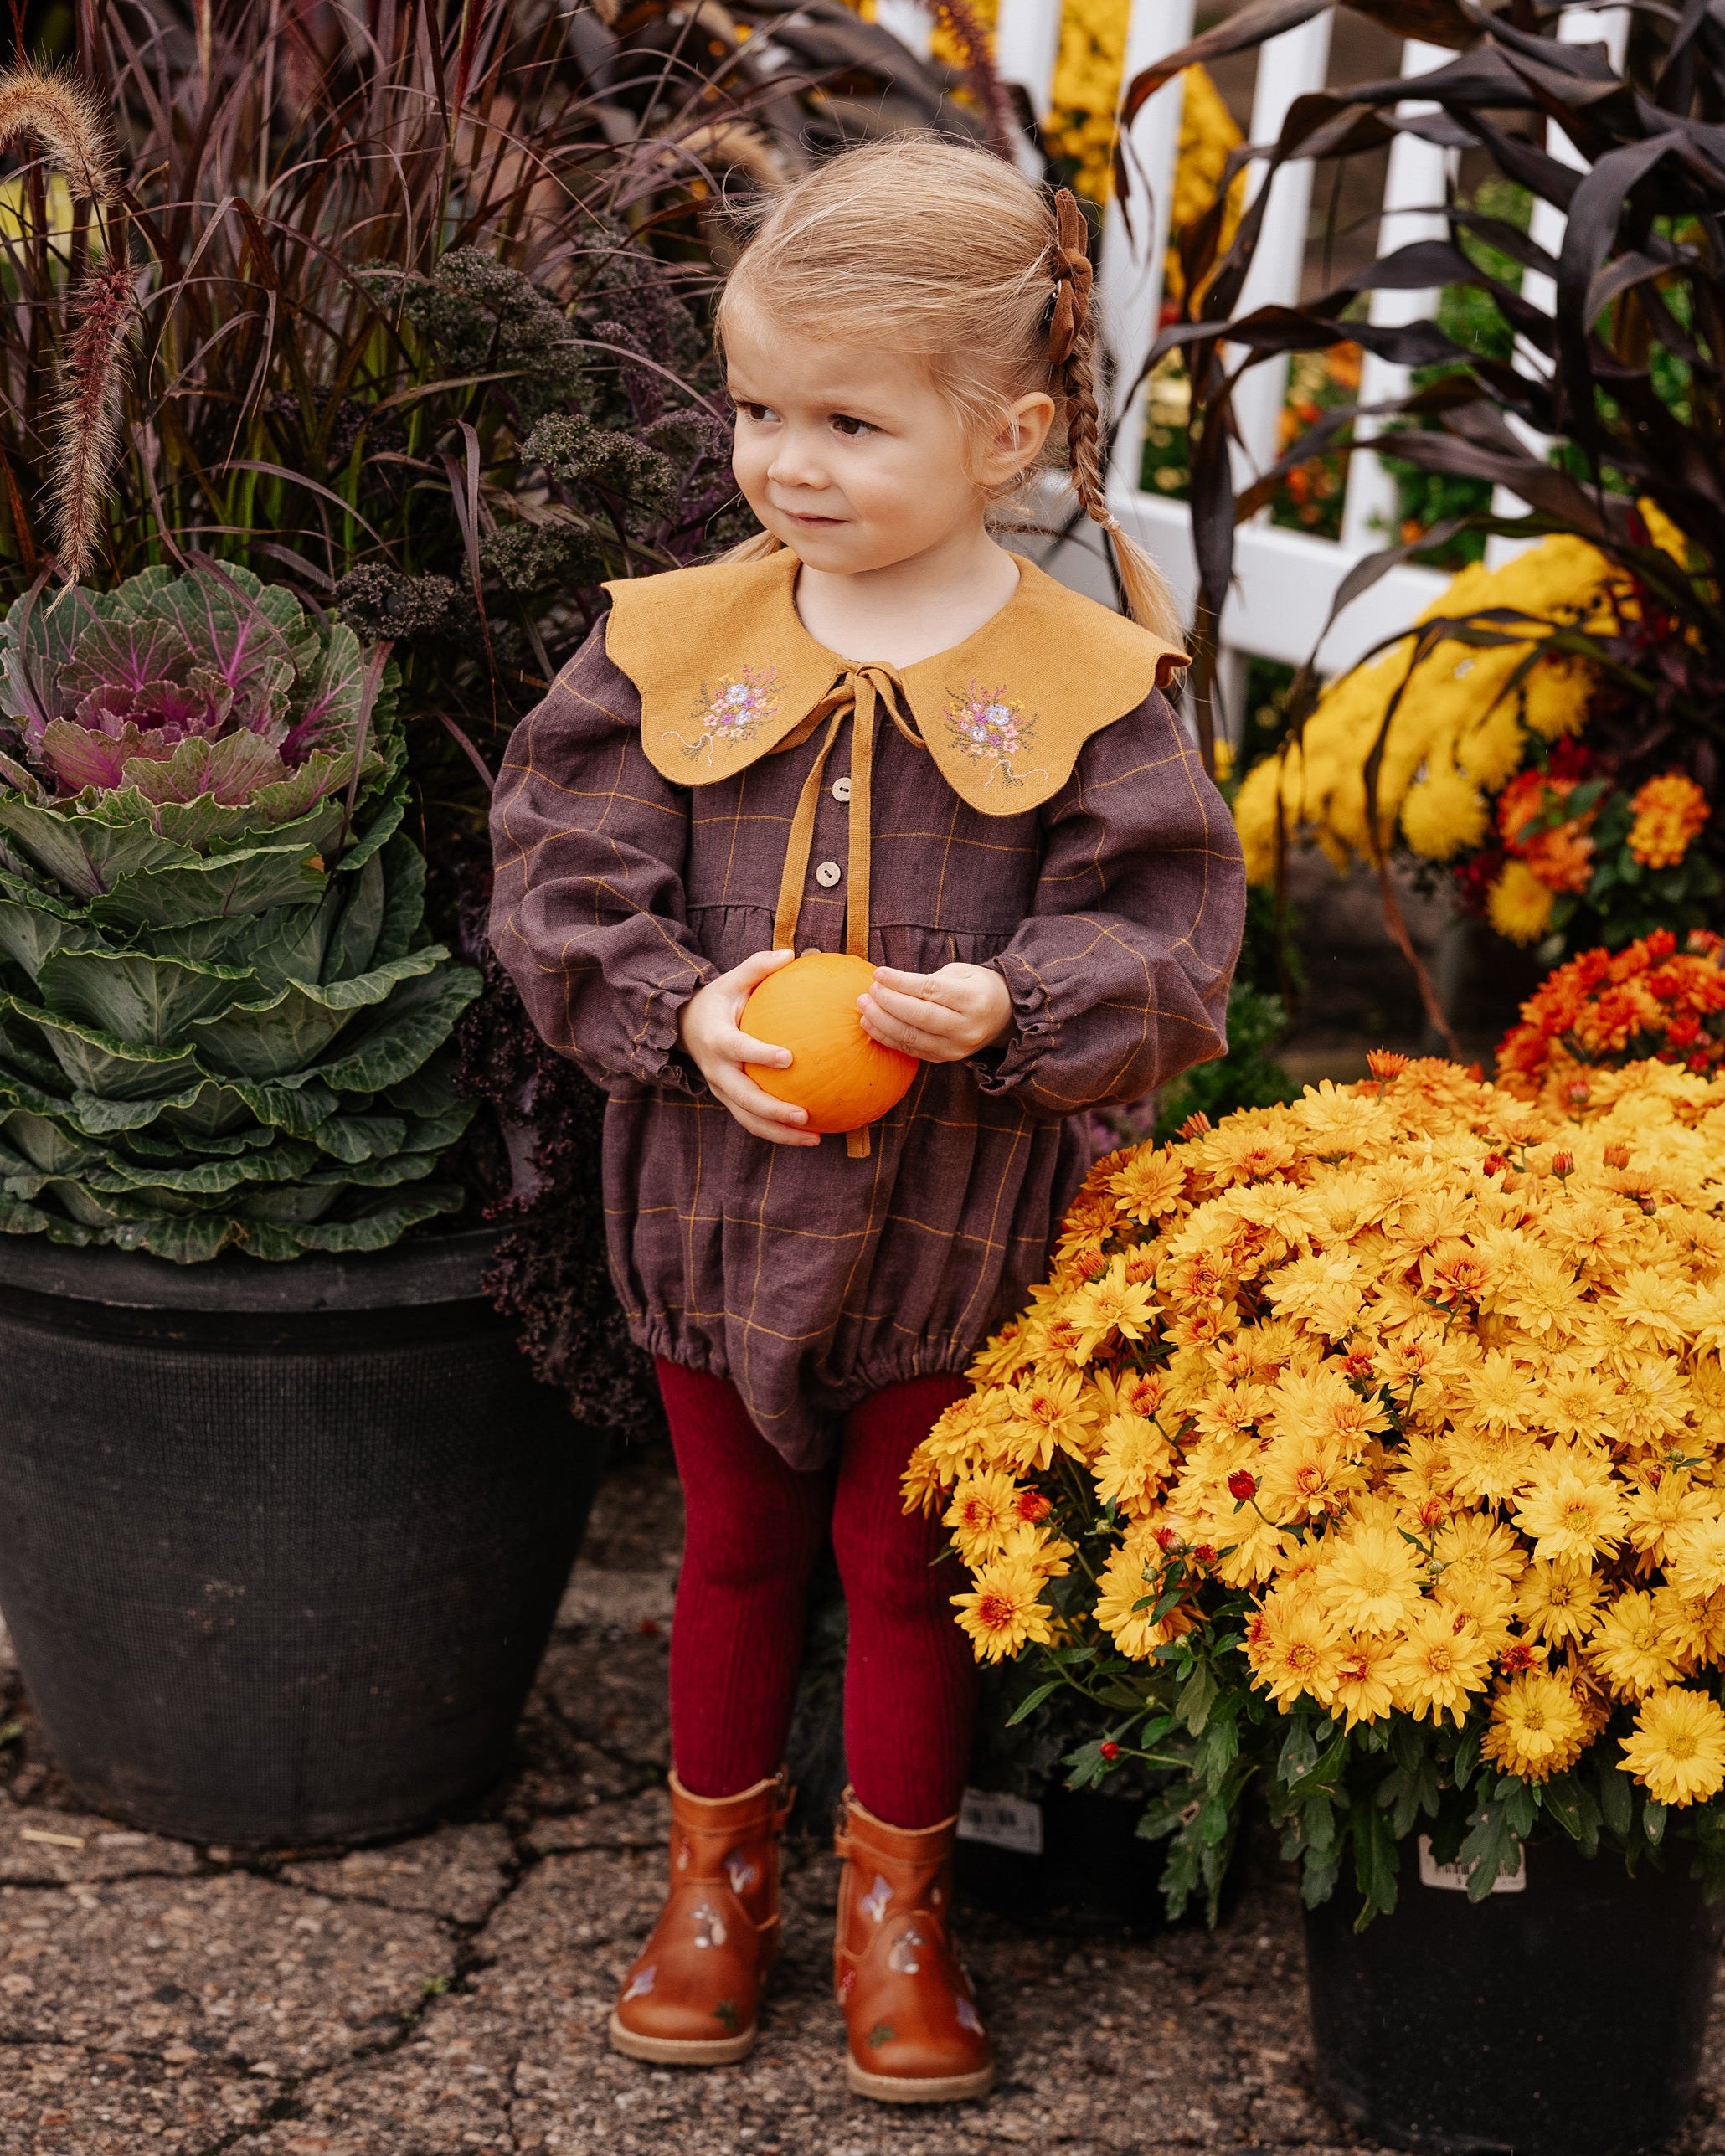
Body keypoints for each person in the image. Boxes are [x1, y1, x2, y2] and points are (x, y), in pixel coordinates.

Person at [490, 136, 1245, 2106]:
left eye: (846, 418)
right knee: (734, 1544)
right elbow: (558, 876)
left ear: (1004, 434)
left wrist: (1013, 997)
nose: (786, 462)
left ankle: (899, 1920)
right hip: (710, 1207)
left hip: (957, 1226)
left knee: (904, 1561)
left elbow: (1167, 936)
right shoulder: (675, 642)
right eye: (754, 409)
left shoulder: (1081, 686)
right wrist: (683, 999)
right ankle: (710, 1892)